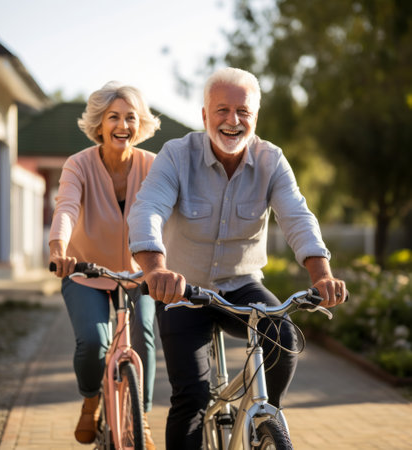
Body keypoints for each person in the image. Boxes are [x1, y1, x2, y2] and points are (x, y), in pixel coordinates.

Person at [127, 67, 347, 449]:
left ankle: (264, 417)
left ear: (255, 118)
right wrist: (156, 270)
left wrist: (321, 274)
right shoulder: (177, 156)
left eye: (243, 111)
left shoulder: (270, 160)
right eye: (222, 110)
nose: (232, 121)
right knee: (191, 397)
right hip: (181, 291)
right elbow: (147, 210)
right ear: (205, 116)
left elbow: (296, 216)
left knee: (284, 338)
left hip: (242, 286)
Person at [49, 81, 160, 448]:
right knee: (93, 342)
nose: (122, 125)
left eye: (131, 117)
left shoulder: (153, 166)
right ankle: (90, 400)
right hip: (84, 272)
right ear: (99, 124)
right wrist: (58, 249)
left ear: (140, 125)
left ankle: (140, 418)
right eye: (114, 117)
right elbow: (65, 207)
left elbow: (175, 213)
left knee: (143, 340)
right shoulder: (78, 164)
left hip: (137, 274)